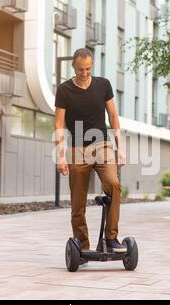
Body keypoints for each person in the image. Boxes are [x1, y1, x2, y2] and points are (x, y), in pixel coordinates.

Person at [54, 48, 127, 255]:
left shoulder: (103, 85)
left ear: (91, 66)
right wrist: (60, 156)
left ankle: (111, 238)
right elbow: (59, 124)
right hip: (78, 149)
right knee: (78, 201)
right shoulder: (64, 90)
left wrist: (120, 147)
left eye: (87, 69)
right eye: (80, 70)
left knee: (113, 184)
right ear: (73, 67)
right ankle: (82, 246)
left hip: (103, 145)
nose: (84, 73)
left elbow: (113, 116)